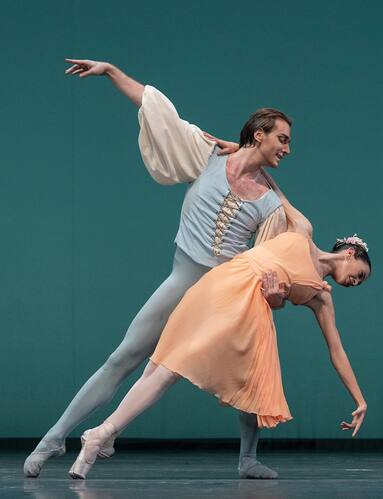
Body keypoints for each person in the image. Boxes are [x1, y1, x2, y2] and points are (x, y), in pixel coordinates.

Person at [24, 59, 311, 479]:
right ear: (258, 134)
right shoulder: (209, 155)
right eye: (282, 139)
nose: (287, 148)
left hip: (220, 294)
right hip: (182, 279)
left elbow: (265, 260)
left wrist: (273, 296)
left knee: (253, 365)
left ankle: (248, 457)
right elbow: (158, 110)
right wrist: (111, 72)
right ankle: (54, 436)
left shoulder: (269, 202)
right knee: (124, 358)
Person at [68, 232, 371, 479]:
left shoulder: (321, 296)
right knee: (166, 367)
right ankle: (102, 434)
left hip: (245, 307)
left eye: (360, 283)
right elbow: (270, 184)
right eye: (360, 274)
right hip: (227, 290)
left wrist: (359, 399)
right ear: (350, 253)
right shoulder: (301, 231)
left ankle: (247, 459)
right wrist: (236, 153)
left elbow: (336, 350)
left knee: (250, 386)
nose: (355, 282)